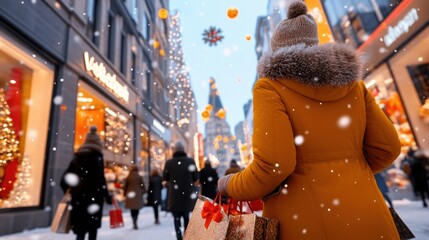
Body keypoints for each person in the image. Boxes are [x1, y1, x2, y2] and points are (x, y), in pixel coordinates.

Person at [218, 2, 401, 239]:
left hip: (306, 223)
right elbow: (388, 148)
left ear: (276, 48)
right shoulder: (355, 87)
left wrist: (229, 184)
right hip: (371, 218)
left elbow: (273, 166)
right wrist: (347, 172)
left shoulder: (270, 87)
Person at [61, 126, 112, 240]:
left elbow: (64, 179)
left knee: (80, 230)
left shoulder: (77, 157)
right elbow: (100, 180)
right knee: (92, 230)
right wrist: (107, 196)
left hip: (79, 199)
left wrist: (71, 191)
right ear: (99, 144)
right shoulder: (97, 158)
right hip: (93, 199)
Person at [163, 141, 199, 240]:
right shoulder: (190, 161)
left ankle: (179, 237)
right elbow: (196, 178)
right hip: (187, 194)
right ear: (184, 150)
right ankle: (187, 236)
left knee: (176, 218)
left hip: (174, 195)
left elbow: (165, 178)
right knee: (186, 216)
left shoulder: (169, 163)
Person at [123, 165, 146, 229]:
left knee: (132, 209)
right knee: (136, 209)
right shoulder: (139, 177)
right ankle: (135, 220)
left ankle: (133, 220)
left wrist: (124, 194)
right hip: (138, 195)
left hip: (130, 195)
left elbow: (126, 186)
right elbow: (143, 186)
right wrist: (142, 192)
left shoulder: (129, 177)